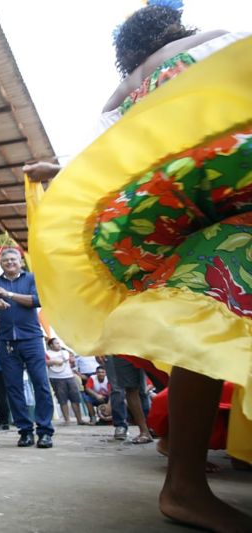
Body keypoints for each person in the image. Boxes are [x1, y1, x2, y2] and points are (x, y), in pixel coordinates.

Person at [29, 2, 252, 530]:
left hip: (179, 220)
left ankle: (185, 483)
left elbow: (108, 163)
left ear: (127, 53)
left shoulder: (125, 92)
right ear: (175, 29)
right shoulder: (218, 40)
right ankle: (186, 482)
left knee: (204, 310)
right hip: (236, 193)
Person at [0, 248, 54, 448]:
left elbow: (37, 300)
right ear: (0, 264)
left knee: (40, 383)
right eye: (5, 260)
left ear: (20, 262)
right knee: (13, 387)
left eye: (13, 259)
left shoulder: (32, 278)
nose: (9, 262)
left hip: (32, 339)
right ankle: (25, 431)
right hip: (7, 342)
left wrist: (9, 294)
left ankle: (45, 431)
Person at [46, 338, 86, 426]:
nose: (59, 345)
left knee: (75, 398)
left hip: (69, 376)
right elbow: (44, 362)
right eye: (56, 343)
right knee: (62, 399)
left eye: (59, 343)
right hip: (56, 377)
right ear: (51, 345)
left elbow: (72, 363)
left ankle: (79, 419)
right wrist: (54, 361)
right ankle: (67, 420)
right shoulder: (47, 353)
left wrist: (72, 362)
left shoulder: (65, 352)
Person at [74, 354, 101, 424]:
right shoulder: (78, 352)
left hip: (97, 371)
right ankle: (92, 417)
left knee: (102, 392)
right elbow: (75, 365)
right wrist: (79, 374)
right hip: (84, 374)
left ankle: (104, 415)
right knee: (87, 397)